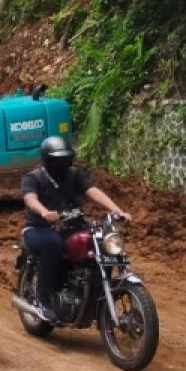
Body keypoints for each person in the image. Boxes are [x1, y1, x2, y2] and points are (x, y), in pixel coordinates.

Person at [22, 136, 132, 322]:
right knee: (53, 245)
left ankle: (95, 297)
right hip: (40, 228)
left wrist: (117, 210)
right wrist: (44, 212)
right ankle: (44, 299)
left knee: (98, 241)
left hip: (71, 225)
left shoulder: (74, 175)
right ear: (48, 159)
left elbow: (92, 191)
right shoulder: (34, 177)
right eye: (57, 159)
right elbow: (30, 198)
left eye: (65, 158)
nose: (62, 162)